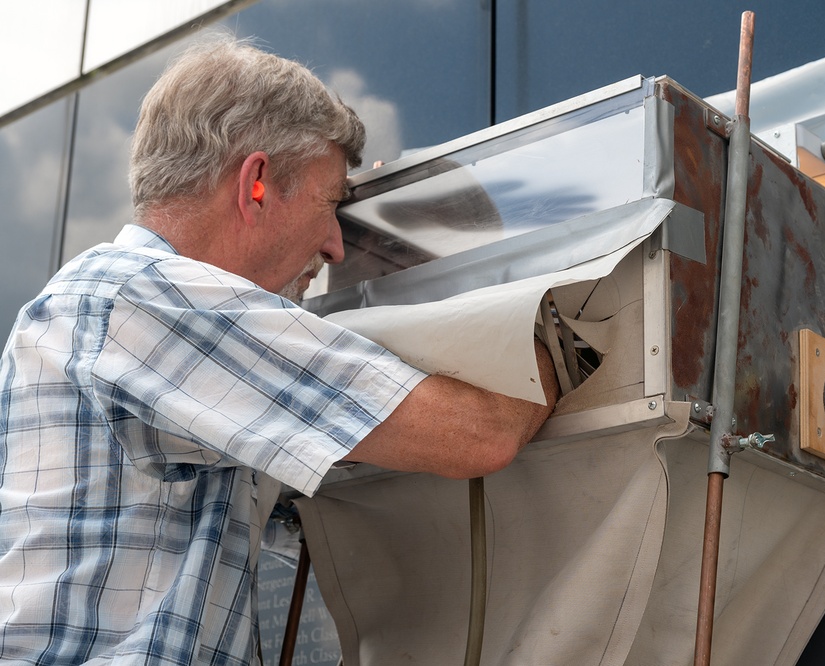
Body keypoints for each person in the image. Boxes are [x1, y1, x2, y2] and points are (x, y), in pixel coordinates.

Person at [0, 35, 558, 664]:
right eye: (331, 205)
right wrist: (579, 334)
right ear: (257, 183)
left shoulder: (96, 304)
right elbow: (478, 433)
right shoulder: (149, 301)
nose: (337, 247)